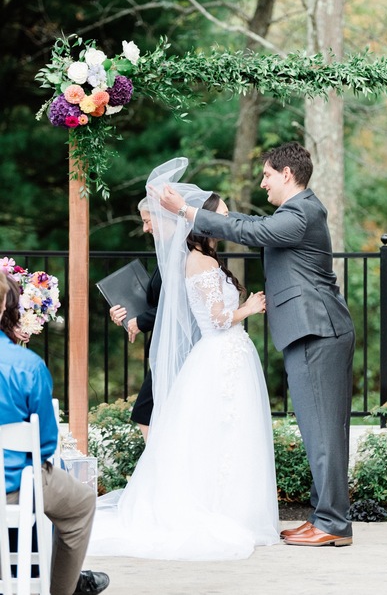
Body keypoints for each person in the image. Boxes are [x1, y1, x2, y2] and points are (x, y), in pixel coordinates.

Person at [160, 142, 356, 547]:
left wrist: (188, 212)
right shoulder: (294, 212)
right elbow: (255, 223)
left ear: (287, 174)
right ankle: (324, 516)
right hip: (312, 330)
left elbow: (251, 231)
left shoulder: (302, 212)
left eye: (267, 174)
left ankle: (333, 524)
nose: (263, 182)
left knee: (323, 431)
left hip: (317, 330)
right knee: (319, 430)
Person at [88, 158, 279, 560]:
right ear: (206, 223)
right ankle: (181, 492)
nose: (228, 222)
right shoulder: (194, 258)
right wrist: (248, 308)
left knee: (227, 431)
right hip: (218, 350)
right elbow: (212, 317)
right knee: (201, 426)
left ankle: (223, 502)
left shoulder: (202, 258)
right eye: (223, 217)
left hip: (226, 355)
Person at [0, 272, 110, 595]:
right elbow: (46, 444)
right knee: (82, 503)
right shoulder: (27, 366)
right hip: (15, 487)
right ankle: (63, 589)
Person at [109, 197, 161, 441]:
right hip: (163, 347)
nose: (145, 228)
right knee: (148, 414)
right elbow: (157, 301)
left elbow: (179, 304)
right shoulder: (166, 252)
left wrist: (140, 321)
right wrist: (126, 314)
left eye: (148, 221)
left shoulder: (181, 252)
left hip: (179, 349)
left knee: (145, 413)